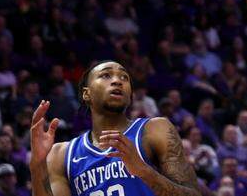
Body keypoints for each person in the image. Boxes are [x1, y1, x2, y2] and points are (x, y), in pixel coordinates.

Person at [29, 61, 202, 196]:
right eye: (106, 75)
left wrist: (144, 171)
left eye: (124, 77)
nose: (118, 81)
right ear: (86, 93)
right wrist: (37, 165)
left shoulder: (154, 130)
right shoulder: (61, 155)